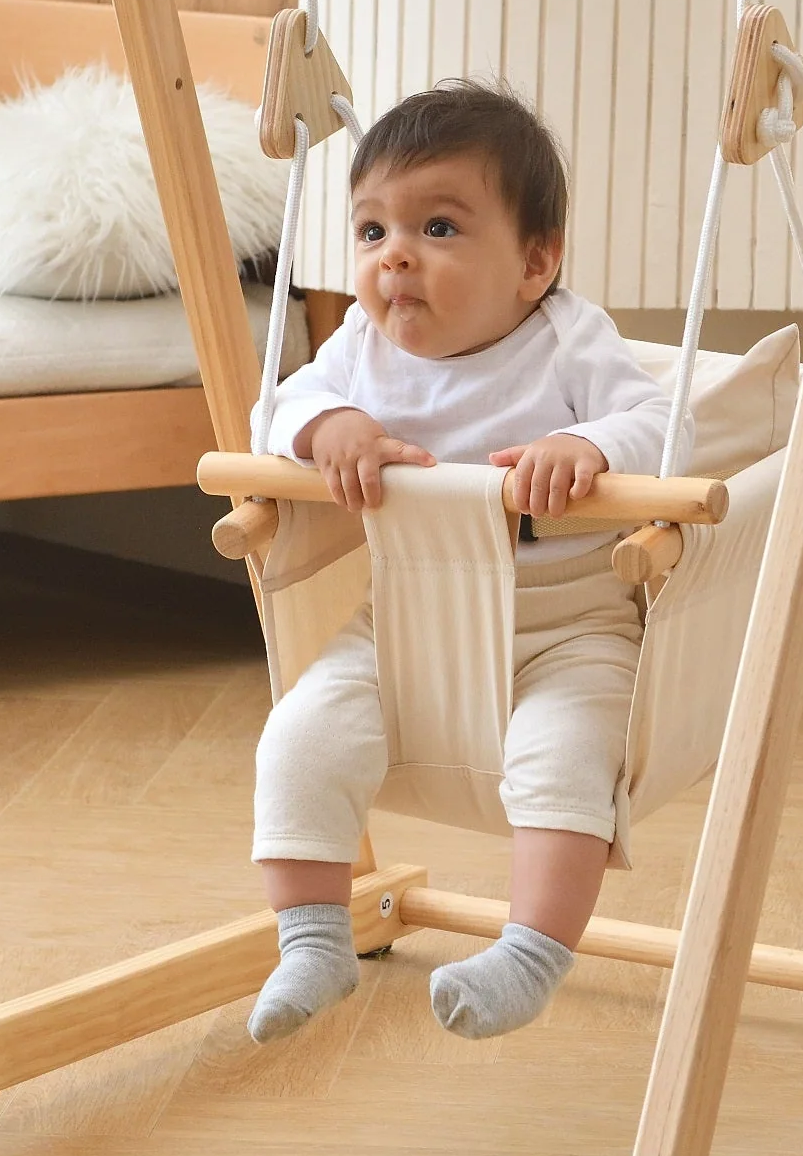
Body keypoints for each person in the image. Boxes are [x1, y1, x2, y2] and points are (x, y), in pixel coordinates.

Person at [247, 80, 666, 1043]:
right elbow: (277, 408)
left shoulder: (567, 339)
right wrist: (328, 425)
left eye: (436, 227)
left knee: (568, 755)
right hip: (406, 622)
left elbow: (662, 421)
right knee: (300, 736)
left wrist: (590, 445)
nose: (394, 255)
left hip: (568, 624)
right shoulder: (359, 346)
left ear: (536, 261)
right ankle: (312, 939)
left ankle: (532, 953)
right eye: (372, 230)